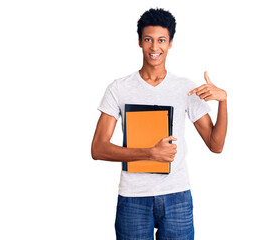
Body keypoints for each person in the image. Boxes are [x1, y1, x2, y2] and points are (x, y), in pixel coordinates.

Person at [91, 8, 227, 240]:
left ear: (171, 43)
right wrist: (150, 153)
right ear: (139, 42)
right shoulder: (119, 88)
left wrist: (223, 101)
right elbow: (98, 149)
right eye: (148, 40)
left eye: (161, 40)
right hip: (133, 197)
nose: (155, 48)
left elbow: (216, 145)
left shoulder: (186, 88)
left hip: (177, 196)